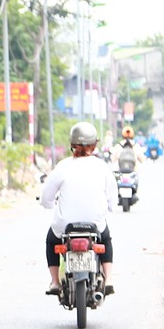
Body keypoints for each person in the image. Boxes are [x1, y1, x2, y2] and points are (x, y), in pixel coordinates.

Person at [39, 120, 119, 295]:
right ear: (95, 144)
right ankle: (109, 279)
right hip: (94, 225)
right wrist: (111, 206)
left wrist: (49, 204)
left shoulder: (63, 166)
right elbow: (113, 198)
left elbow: (46, 197)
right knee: (105, 240)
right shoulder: (102, 167)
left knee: (51, 241)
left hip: (64, 227)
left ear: (71, 144)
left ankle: (54, 282)